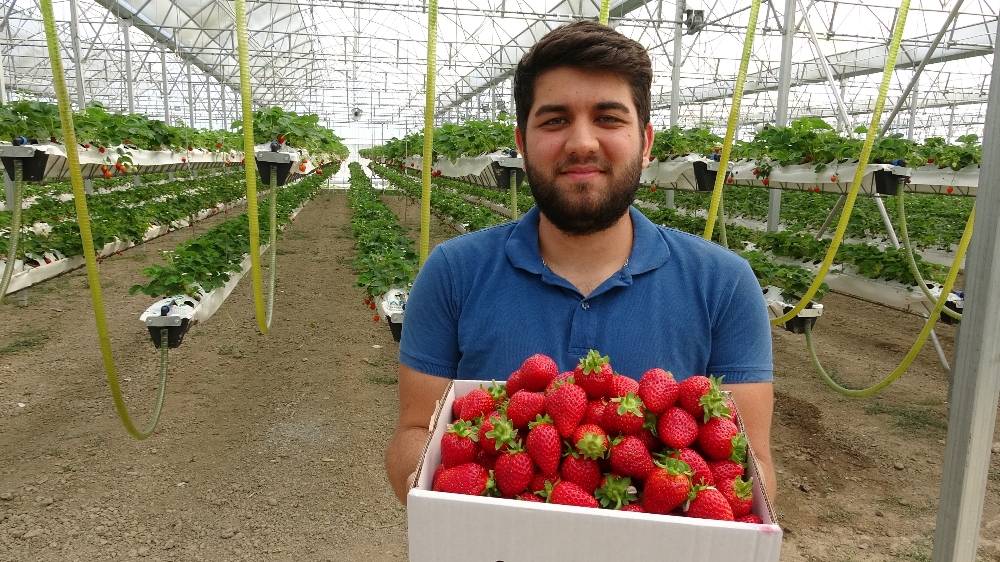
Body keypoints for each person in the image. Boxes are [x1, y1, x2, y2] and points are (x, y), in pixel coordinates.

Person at [385, 20, 775, 504]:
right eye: (554, 120)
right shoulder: (452, 272)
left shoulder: (725, 284)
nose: (582, 143)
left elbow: (750, 463)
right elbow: (416, 429)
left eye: (609, 118)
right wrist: (428, 490)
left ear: (646, 142)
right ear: (522, 144)